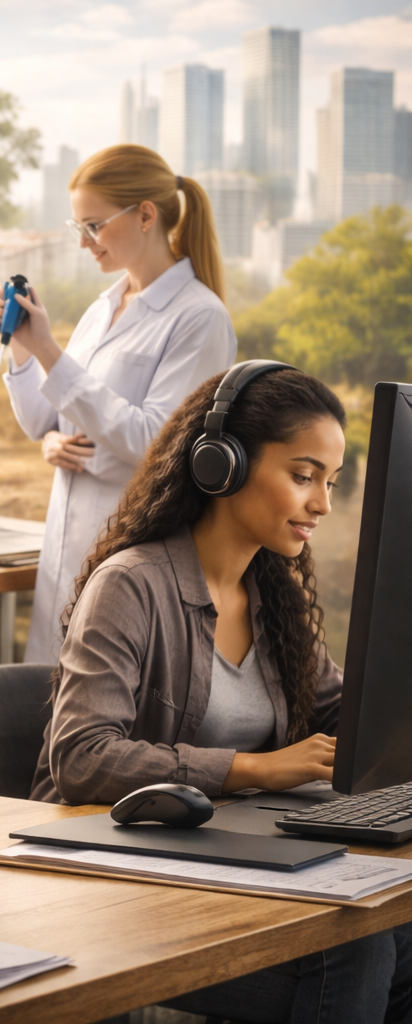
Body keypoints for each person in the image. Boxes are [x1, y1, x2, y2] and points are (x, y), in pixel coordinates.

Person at [34, 363, 412, 1020]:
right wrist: (252, 769)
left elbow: (341, 711)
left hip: (226, 862)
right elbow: (82, 757)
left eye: (330, 482)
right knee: (361, 943)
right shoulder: (132, 587)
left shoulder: (273, 597)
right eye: (302, 477)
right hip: (116, 875)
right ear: (221, 466)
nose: (321, 504)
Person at [0, 145, 236, 665]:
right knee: (47, 719)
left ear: (145, 214)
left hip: (127, 563)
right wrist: (22, 346)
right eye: (76, 226)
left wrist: (51, 351)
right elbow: (41, 420)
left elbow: (155, 443)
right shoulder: (102, 309)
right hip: (63, 557)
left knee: (104, 721)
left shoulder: (199, 318)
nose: (83, 242)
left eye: (94, 226)